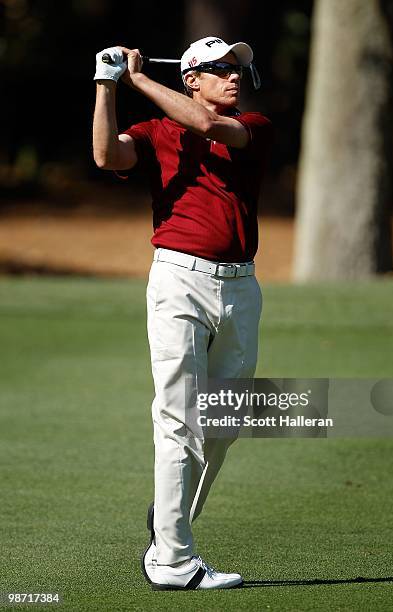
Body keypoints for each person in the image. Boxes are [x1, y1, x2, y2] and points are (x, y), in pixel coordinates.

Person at [93, 36, 273, 591]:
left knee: (224, 423)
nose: (234, 76)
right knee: (178, 419)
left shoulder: (255, 124)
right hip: (178, 281)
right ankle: (172, 559)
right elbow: (107, 155)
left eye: (238, 68)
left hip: (241, 288)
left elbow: (213, 128)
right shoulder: (155, 133)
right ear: (191, 78)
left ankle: (168, 522)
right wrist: (105, 84)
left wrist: (137, 79)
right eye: (219, 69)